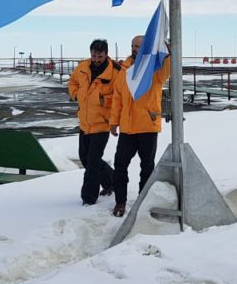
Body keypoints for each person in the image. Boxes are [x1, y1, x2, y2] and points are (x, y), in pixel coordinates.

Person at [108, 34, 171, 217]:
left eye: (138, 46)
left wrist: (167, 52)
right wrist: (113, 122)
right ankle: (120, 202)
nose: (135, 49)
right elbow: (117, 99)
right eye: (133, 46)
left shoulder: (154, 69)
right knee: (120, 165)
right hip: (127, 128)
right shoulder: (124, 70)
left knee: (147, 167)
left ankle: (144, 201)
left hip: (147, 127)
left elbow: (168, 69)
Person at [68, 39, 122, 205]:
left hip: (101, 124)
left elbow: (120, 97)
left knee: (92, 163)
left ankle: (88, 198)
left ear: (106, 54)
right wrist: (75, 94)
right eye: (94, 55)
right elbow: (72, 81)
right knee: (86, 158)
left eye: (100, 56)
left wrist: (104, 102)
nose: (96, 59)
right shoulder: (83, 67)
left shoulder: (115, 73)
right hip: (85, 122)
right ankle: (111, 180)